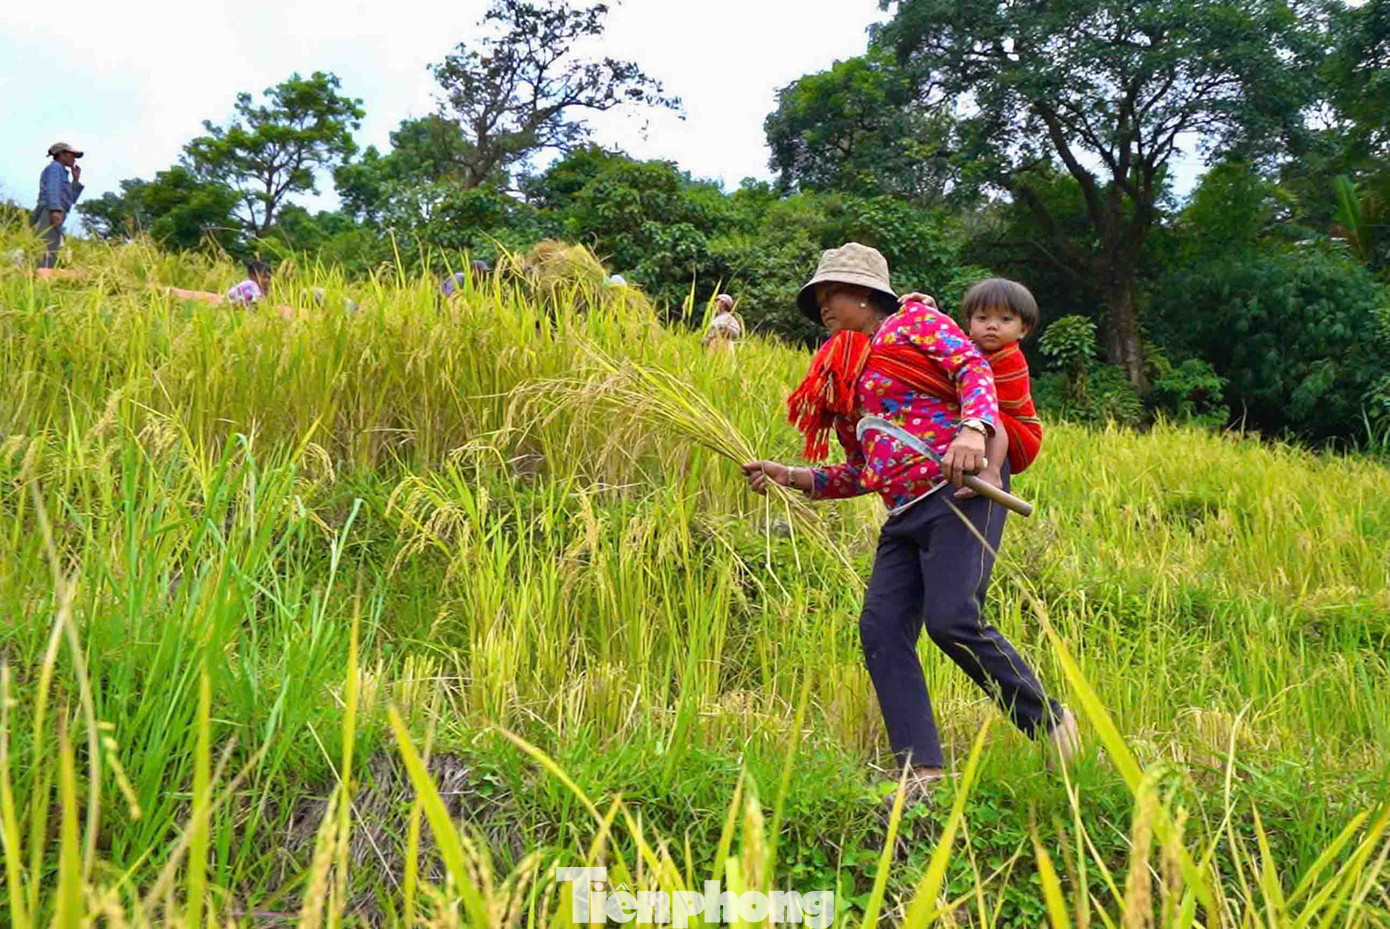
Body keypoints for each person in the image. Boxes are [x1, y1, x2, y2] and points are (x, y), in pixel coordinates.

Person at [742, 243, 1078, 798]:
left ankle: (1052, 724)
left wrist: (972, 431)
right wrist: (792, 475)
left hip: (958, 495)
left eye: (832, 294)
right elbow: (861, 471)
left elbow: (972, 367)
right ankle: (921, 769)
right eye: (819, 297)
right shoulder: (855, 371)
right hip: (902, 514)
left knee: (952, 621)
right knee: (881, 628)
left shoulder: (916, 322)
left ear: (866, 295)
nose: (824, 305)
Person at [900, 280, 1043, 496]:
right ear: (970, 324)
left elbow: (985, 396)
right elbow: (948, 343)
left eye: (1005, 319)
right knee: (979, 409)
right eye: (982, 318)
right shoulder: (971, 348)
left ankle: (991, 475)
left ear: (1023, 329)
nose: (992, 326)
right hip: (982, 431)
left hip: (1019, 435)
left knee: (986, 409)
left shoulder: (1011, 358)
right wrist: (933, 314)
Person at [31, 142, 85, 269]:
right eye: (72, 155)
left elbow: (70, 199)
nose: (74, 159)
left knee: (52, 246)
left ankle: (45, 275)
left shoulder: (62, 172)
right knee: (46, 245)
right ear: (61, 155)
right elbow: (52, 189)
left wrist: (76, 180)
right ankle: (40, 276)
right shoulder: (55, 167)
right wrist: (55, 210)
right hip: (50, 211)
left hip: (56, 211)